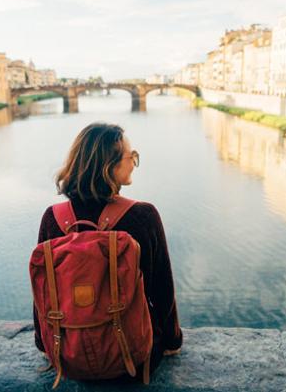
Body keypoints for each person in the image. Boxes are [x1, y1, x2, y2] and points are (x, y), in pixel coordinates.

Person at [33, 122, 182, 381]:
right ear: (109, 166)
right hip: (133, 359)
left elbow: (43, 294)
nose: (134, 162)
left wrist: (43, 343)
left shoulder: (52, 218)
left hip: (68, 354)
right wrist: (172, 341)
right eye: (131, 156)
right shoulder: (143, 216)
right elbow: (162, 290)